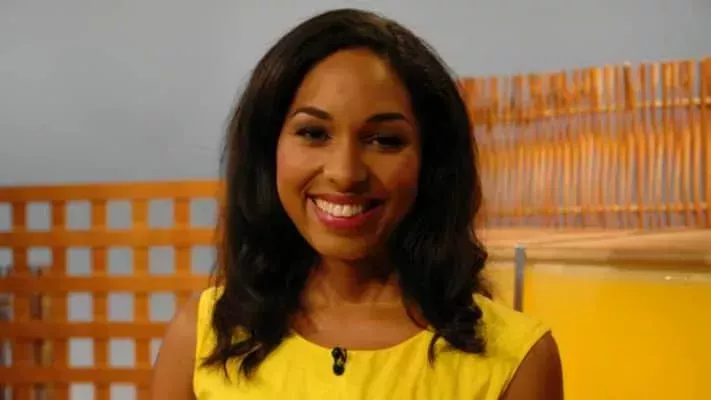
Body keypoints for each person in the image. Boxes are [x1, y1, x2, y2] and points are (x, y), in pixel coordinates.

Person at [150, 8, 563, 400]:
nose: (345, 173)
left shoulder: (515, 359)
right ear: (268, 149)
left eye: (384, 140)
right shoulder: (203, 338)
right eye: (313, 133)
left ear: (431, 162)